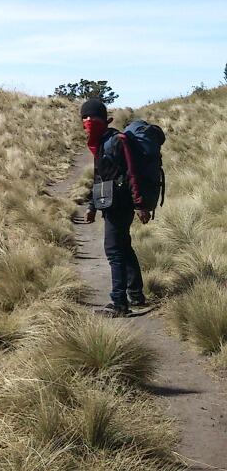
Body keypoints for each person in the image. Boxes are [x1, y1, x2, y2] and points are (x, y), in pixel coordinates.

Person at [81, 98, 150, 317]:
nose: (89, 120)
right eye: (85, 117)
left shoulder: (118, 140)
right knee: (123, 247)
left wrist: (140, 204)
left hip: (121, 204)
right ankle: (136, 295)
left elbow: (132, 174)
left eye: (93, 116)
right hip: (109, 203)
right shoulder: (99, 143)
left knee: (114, 251)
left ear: (105, 118)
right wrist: (92, 206)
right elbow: (98, 177)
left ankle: (119, 303)